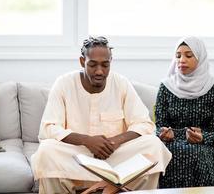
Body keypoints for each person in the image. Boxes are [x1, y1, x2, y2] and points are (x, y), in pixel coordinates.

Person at [31, 36, 171, 194]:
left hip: (113, 156)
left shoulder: (121, 83)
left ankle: (111, 186)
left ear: (111, 61)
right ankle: (107, 187)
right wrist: (87, 141)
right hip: (77, 156)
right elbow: (49, 128)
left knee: (153, 144)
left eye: (105, 65)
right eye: (92, 65)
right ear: (82, 61)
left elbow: (144, 124)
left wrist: (114, 142)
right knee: (47, 150)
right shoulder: (64, 83)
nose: (99, 71)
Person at [155, 36, 214, 188]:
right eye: (178, 56)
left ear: (200, 58)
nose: (181, 60)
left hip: (205, 146)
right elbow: (159, 125)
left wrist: (203, 136)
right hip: (173, 144)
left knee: (197, 154)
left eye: (188, 55)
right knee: (172, 155)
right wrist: (164, 133)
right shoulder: (166, 87)